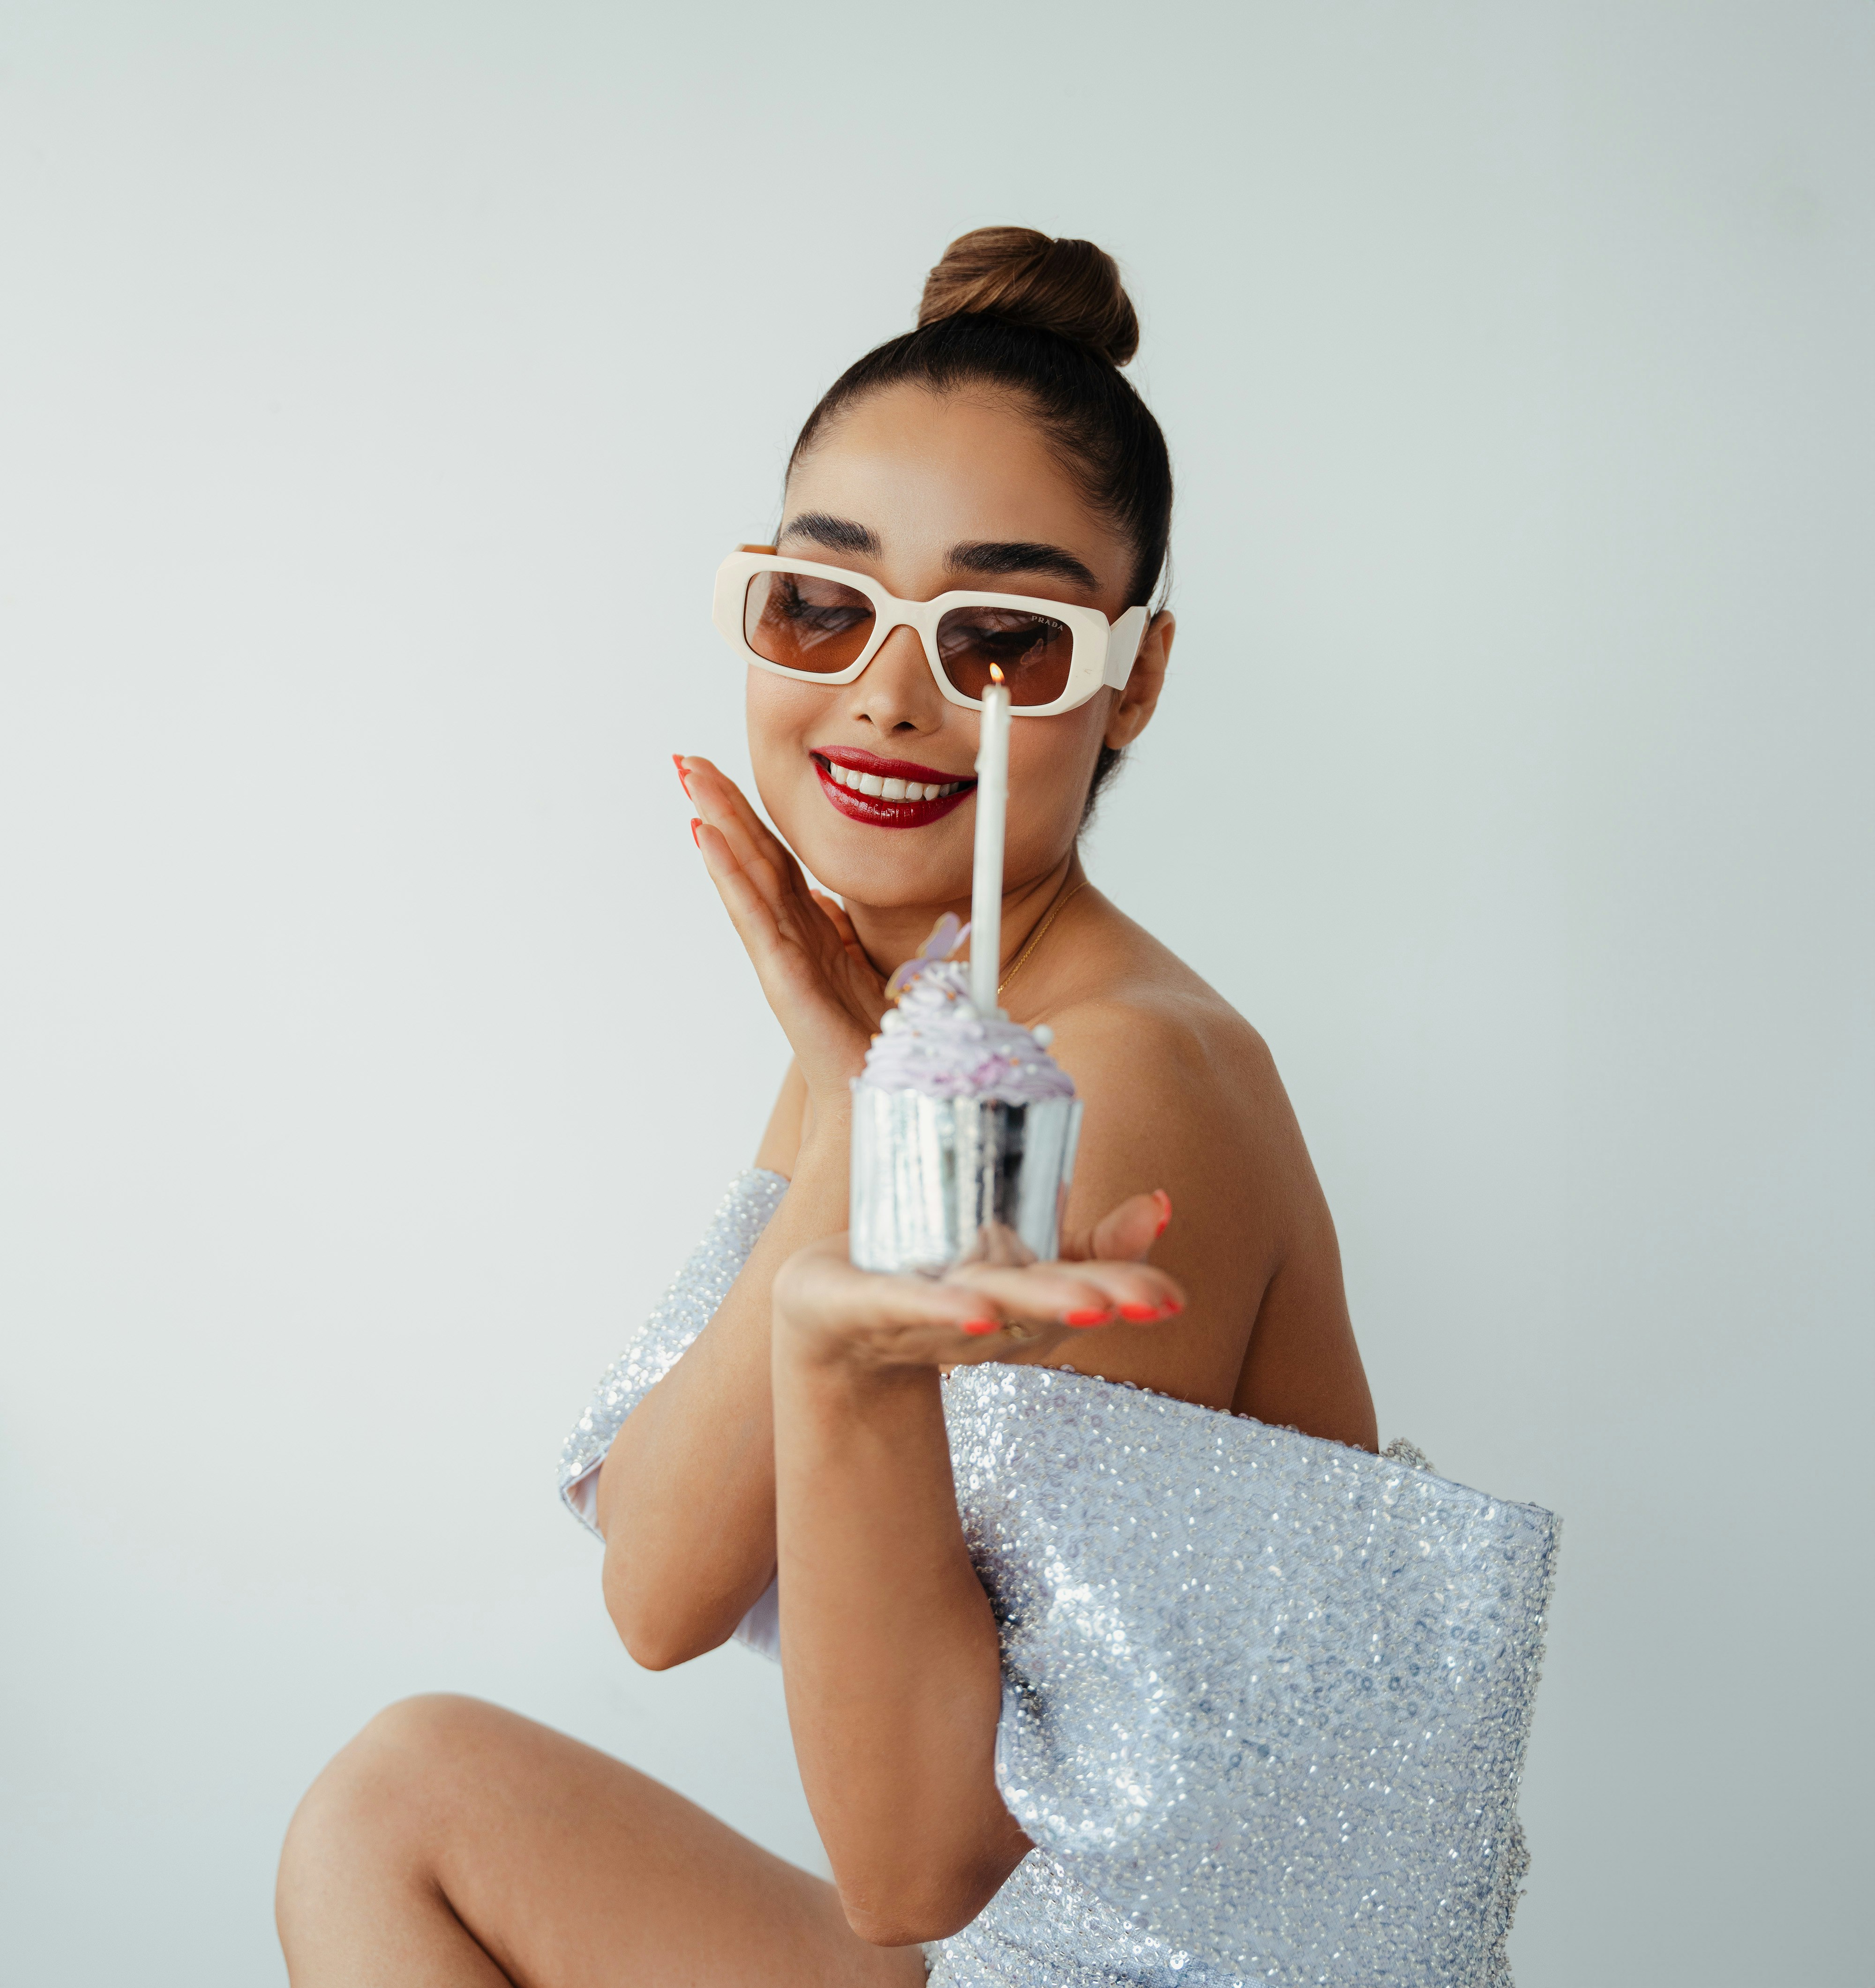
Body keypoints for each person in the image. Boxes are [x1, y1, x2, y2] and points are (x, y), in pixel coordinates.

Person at [277, 230, 1544, 1988]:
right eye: (825, 602)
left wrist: (858, 1189)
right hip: (1017, 1955)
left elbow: (917, 1861)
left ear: (1135, 677)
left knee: (405, 1804)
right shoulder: (901, 1015)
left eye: (998, 635)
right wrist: (853, 1101)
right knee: (397, 1803)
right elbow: (658, 1592)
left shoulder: (1118, 1079)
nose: (888, 690)